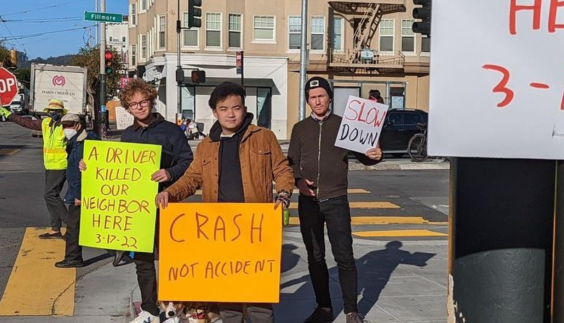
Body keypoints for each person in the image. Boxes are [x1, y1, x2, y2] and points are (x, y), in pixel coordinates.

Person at [156, 81, 294, 323]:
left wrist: (283, 194)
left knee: (258, 297)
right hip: (219, 231)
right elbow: (192, 177)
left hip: (255, 229)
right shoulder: (207, 146)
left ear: (244, 108)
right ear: (215, 112)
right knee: (227, 297)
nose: (231, 113)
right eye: (224, 108)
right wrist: (171, 193)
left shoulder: (264, 138)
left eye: (236, 107)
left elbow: (282, 170)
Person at [82, 80, 193, 323]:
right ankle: (150, 310)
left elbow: (188, 161)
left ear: (151, 102)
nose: (139, 107)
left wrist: (170, 173)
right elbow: (117, 168)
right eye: (133, 104)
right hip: (136, 209)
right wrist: (89, 167)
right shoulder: (129, 134)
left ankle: (174, 308)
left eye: (143, 102)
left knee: (170, 259)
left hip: (166, 203)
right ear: (128, 108)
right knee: (142, 262)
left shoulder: (171, 131)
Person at [288, 77, 383, 323]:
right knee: (316, 256)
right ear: (307, 100)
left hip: (336, 199)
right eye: (312, 97)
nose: (317, 101)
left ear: (329, 97)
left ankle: (351, 310)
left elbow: (366, 156)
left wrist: (375, 155)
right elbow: (292, 164)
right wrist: (298, 181)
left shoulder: (345, 125)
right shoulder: (300, 128)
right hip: (308, 202)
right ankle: (324, 307)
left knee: (344, 256)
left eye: (321, 95)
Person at [0, 99, 69, 239]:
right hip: (49, 165)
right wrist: (10, 115)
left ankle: (71, 224)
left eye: (55, 111)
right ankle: (55, 229)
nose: (52, 113)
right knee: (51, 196)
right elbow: (27, 123)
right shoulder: (46, 123)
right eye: (50, 111)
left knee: (50, 195)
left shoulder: (66, 126)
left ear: (61, 113)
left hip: (61, 165)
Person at [55, 113, 99, 268]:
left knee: (74, 226)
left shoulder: (85, 143)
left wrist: (79, 195)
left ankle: (73, 258)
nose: (67, 129)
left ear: (78, 125)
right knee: (81, 225)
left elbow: (85, 172)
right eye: (64, 126)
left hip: (81, 192)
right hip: (77, 190)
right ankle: (74, 256)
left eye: (70, 125)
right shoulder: (75, 141)